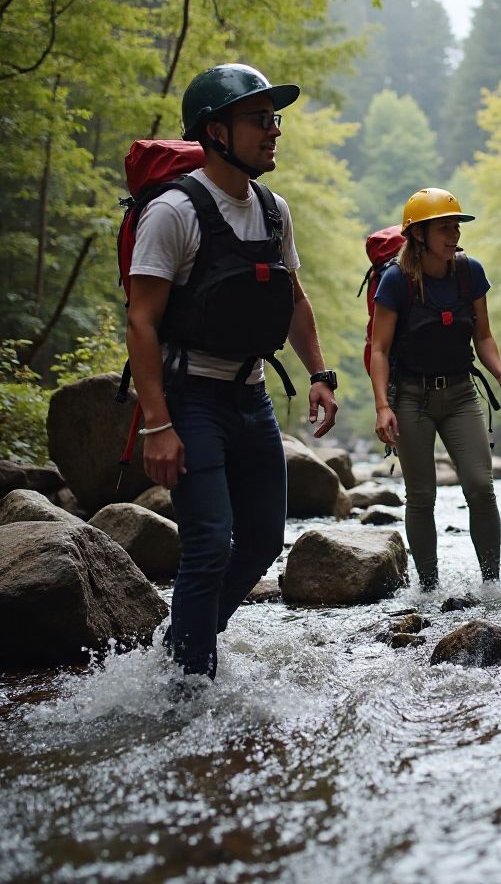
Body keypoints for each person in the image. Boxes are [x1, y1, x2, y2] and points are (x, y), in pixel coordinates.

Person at [126, 63, 339, 680]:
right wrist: (157, 425)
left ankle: (176, 655)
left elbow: (294, 300)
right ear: (215, 131)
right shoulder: (172, 212)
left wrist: (320, 372)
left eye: (275, 119)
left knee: (265, 541)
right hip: (189, 399)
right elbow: (141, 321)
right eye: (259, 120)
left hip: (251, 398)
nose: (274, 131)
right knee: (209, 545)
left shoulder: (274, 211)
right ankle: (189, 691)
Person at [369, 188, 501, 590]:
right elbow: (379, 349)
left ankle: (492, 585)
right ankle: (429, 588)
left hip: (461, 393)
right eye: (444, 228)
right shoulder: (397, 281)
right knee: (421, 495)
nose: (453, 235)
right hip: (411, 397)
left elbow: (483, 336)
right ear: (418, 235)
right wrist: (383, 406)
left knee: (481, 487)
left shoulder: (470, 273)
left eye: (455, 226)